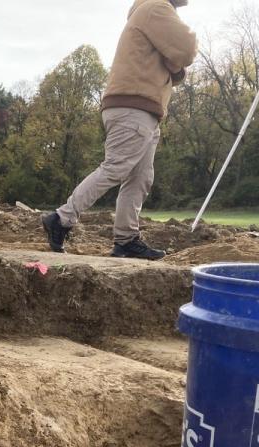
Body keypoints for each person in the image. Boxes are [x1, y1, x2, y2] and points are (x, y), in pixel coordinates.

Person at [42, 0, 197, 259]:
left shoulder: (148, 11)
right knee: (116, 167)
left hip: (143, 108)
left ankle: (126, 240)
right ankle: (61, 218)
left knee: (140, 177)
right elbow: (187, 49)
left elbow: (178, 68)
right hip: (133, 107)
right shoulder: (157, 8)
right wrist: (176, 62)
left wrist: (176, 64)